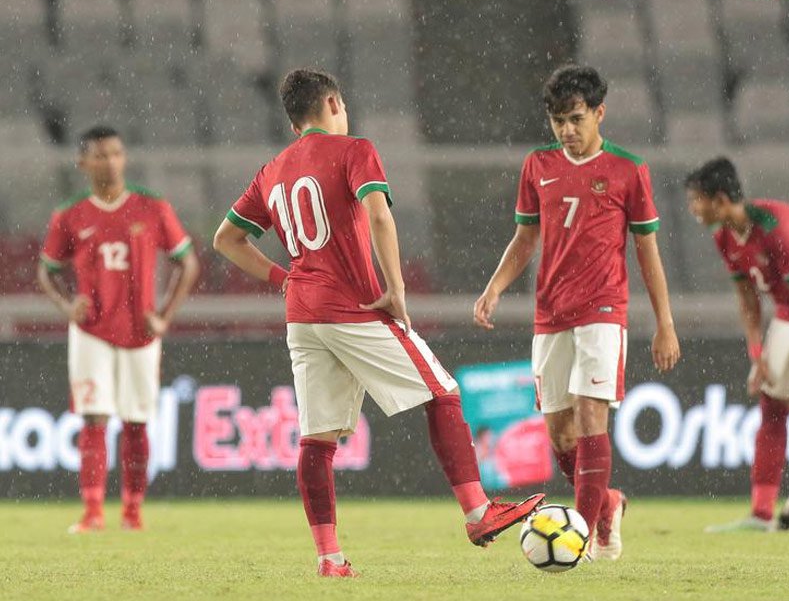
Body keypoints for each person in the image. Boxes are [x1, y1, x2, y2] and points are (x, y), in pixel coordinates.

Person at [213, 69, 544, 578]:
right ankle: (479, 513)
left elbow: (226, 240)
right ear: (331, 103)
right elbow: (380, 215)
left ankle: (330, 558)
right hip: (354, 305)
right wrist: (397, 288)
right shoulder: (353, 150)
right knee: (444, 393)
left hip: (302, 315)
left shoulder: (272, 170)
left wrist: (284, 276)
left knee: (317, 440)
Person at [474, 64, 681, 561]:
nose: (567, 130)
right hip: (551, 313)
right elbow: (526, 238)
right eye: (557, 121)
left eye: (576, 119)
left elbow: (647, 251)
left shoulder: (629, 170)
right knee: (559, 432)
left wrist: (664, 323)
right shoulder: (538, 166)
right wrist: (495, 287)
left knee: (592, 416)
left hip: (603, 310)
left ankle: (583, 535)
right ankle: (606, 503)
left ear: (599, 113)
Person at [37, 126, 200, 533]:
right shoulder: (70, 214)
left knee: (136, 422)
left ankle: (132, 511)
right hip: (92, 331)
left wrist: (164, 315)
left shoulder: (151, 207)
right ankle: (93, 512)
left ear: (123, 157)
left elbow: (188, 262)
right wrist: (65, 304)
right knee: (93, 418)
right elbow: (47, 270)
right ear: (83, 162)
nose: (110, 161)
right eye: (100, 154)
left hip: (140, 333)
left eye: (116, 153)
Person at [685, 156, 789, 532]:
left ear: (719, 198)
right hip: (788, 312)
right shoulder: (724, 236)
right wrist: (757, 355)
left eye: (697, 199)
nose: (693, 208)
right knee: (772, 405)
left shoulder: (776, 227)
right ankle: (761, 515)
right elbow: (747, 298)